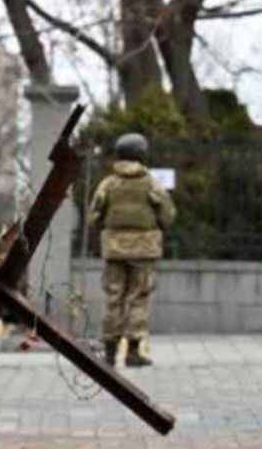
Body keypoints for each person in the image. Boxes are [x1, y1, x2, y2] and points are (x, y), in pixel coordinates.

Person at [87, 132, 175, 368]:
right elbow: (168, 215)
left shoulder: (109, 183)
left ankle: (109, 353)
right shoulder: (151, 183)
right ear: (142, 154)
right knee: (138, 298)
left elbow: (93, 217)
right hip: (144, 251)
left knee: (114, 298)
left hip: (115, 250)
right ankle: (134, 352)